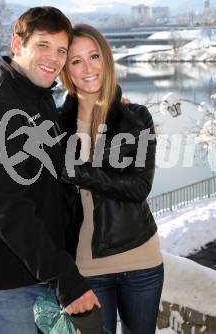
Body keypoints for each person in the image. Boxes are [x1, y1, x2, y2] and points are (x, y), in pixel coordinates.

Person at [0, 7, 100, 334]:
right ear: (16, 45)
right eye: (43, 45)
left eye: (61, 50)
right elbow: (8, 209)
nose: (54, 57)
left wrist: (105, 108)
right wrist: (67, 279)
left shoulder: (37, 97)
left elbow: (51, 175)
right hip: (6, 282)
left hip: (40, 269)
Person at [59, 24, 164, 334]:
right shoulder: (53, 124)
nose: (88, 68)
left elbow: (138, 187)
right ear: (66, 69)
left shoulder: (136, 117)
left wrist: (78, 171)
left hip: (141, 260)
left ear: (106, 59)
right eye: (76, 61)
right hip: (84, 269)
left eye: (94, 56)